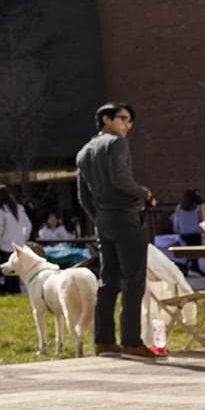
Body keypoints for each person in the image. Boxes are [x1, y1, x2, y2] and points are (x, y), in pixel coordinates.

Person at [76, 101, 163, 359]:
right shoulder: (116, 143)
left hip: (103, 220)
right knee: (133, 281)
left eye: (130, 121)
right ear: (106, 119)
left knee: (108, 281)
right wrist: (144, 193)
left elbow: (82, 197)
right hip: (125, 217)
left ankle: (104, 341)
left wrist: (100, 217)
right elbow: (120, 179)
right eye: (123, 119)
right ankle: (131, 342)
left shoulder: (83, 152)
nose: (128, 125)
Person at [0, 185, 33, 294]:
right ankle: (17, 292)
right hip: (19, 246)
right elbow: (28, 226)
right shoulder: (18, 208)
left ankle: (10, 292)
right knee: (16, 274)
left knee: (8, 274)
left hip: (4, 247)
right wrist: (23, 239)